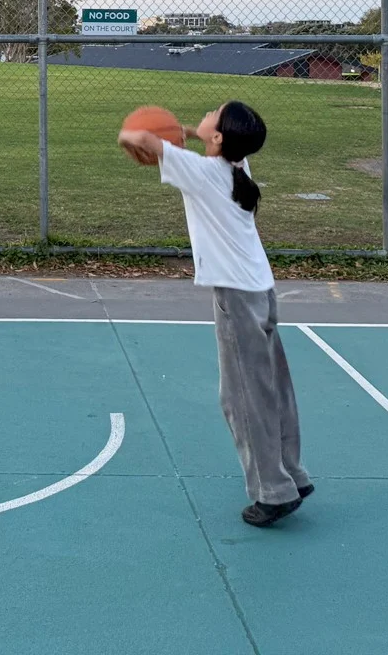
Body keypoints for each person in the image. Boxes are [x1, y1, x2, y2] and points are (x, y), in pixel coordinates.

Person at [117, 101, 312, 527]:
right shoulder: (238, 167)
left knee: (242, 398)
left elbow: (139, 137)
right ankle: (292, 475)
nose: (205, 114)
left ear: (219, 137)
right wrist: (189, 131)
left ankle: (273, 492)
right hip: (261, 290)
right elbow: (202, 143)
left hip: (236, 298)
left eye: (213, 114)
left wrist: (132, 135)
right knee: (272, 391)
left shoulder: (202, 172)